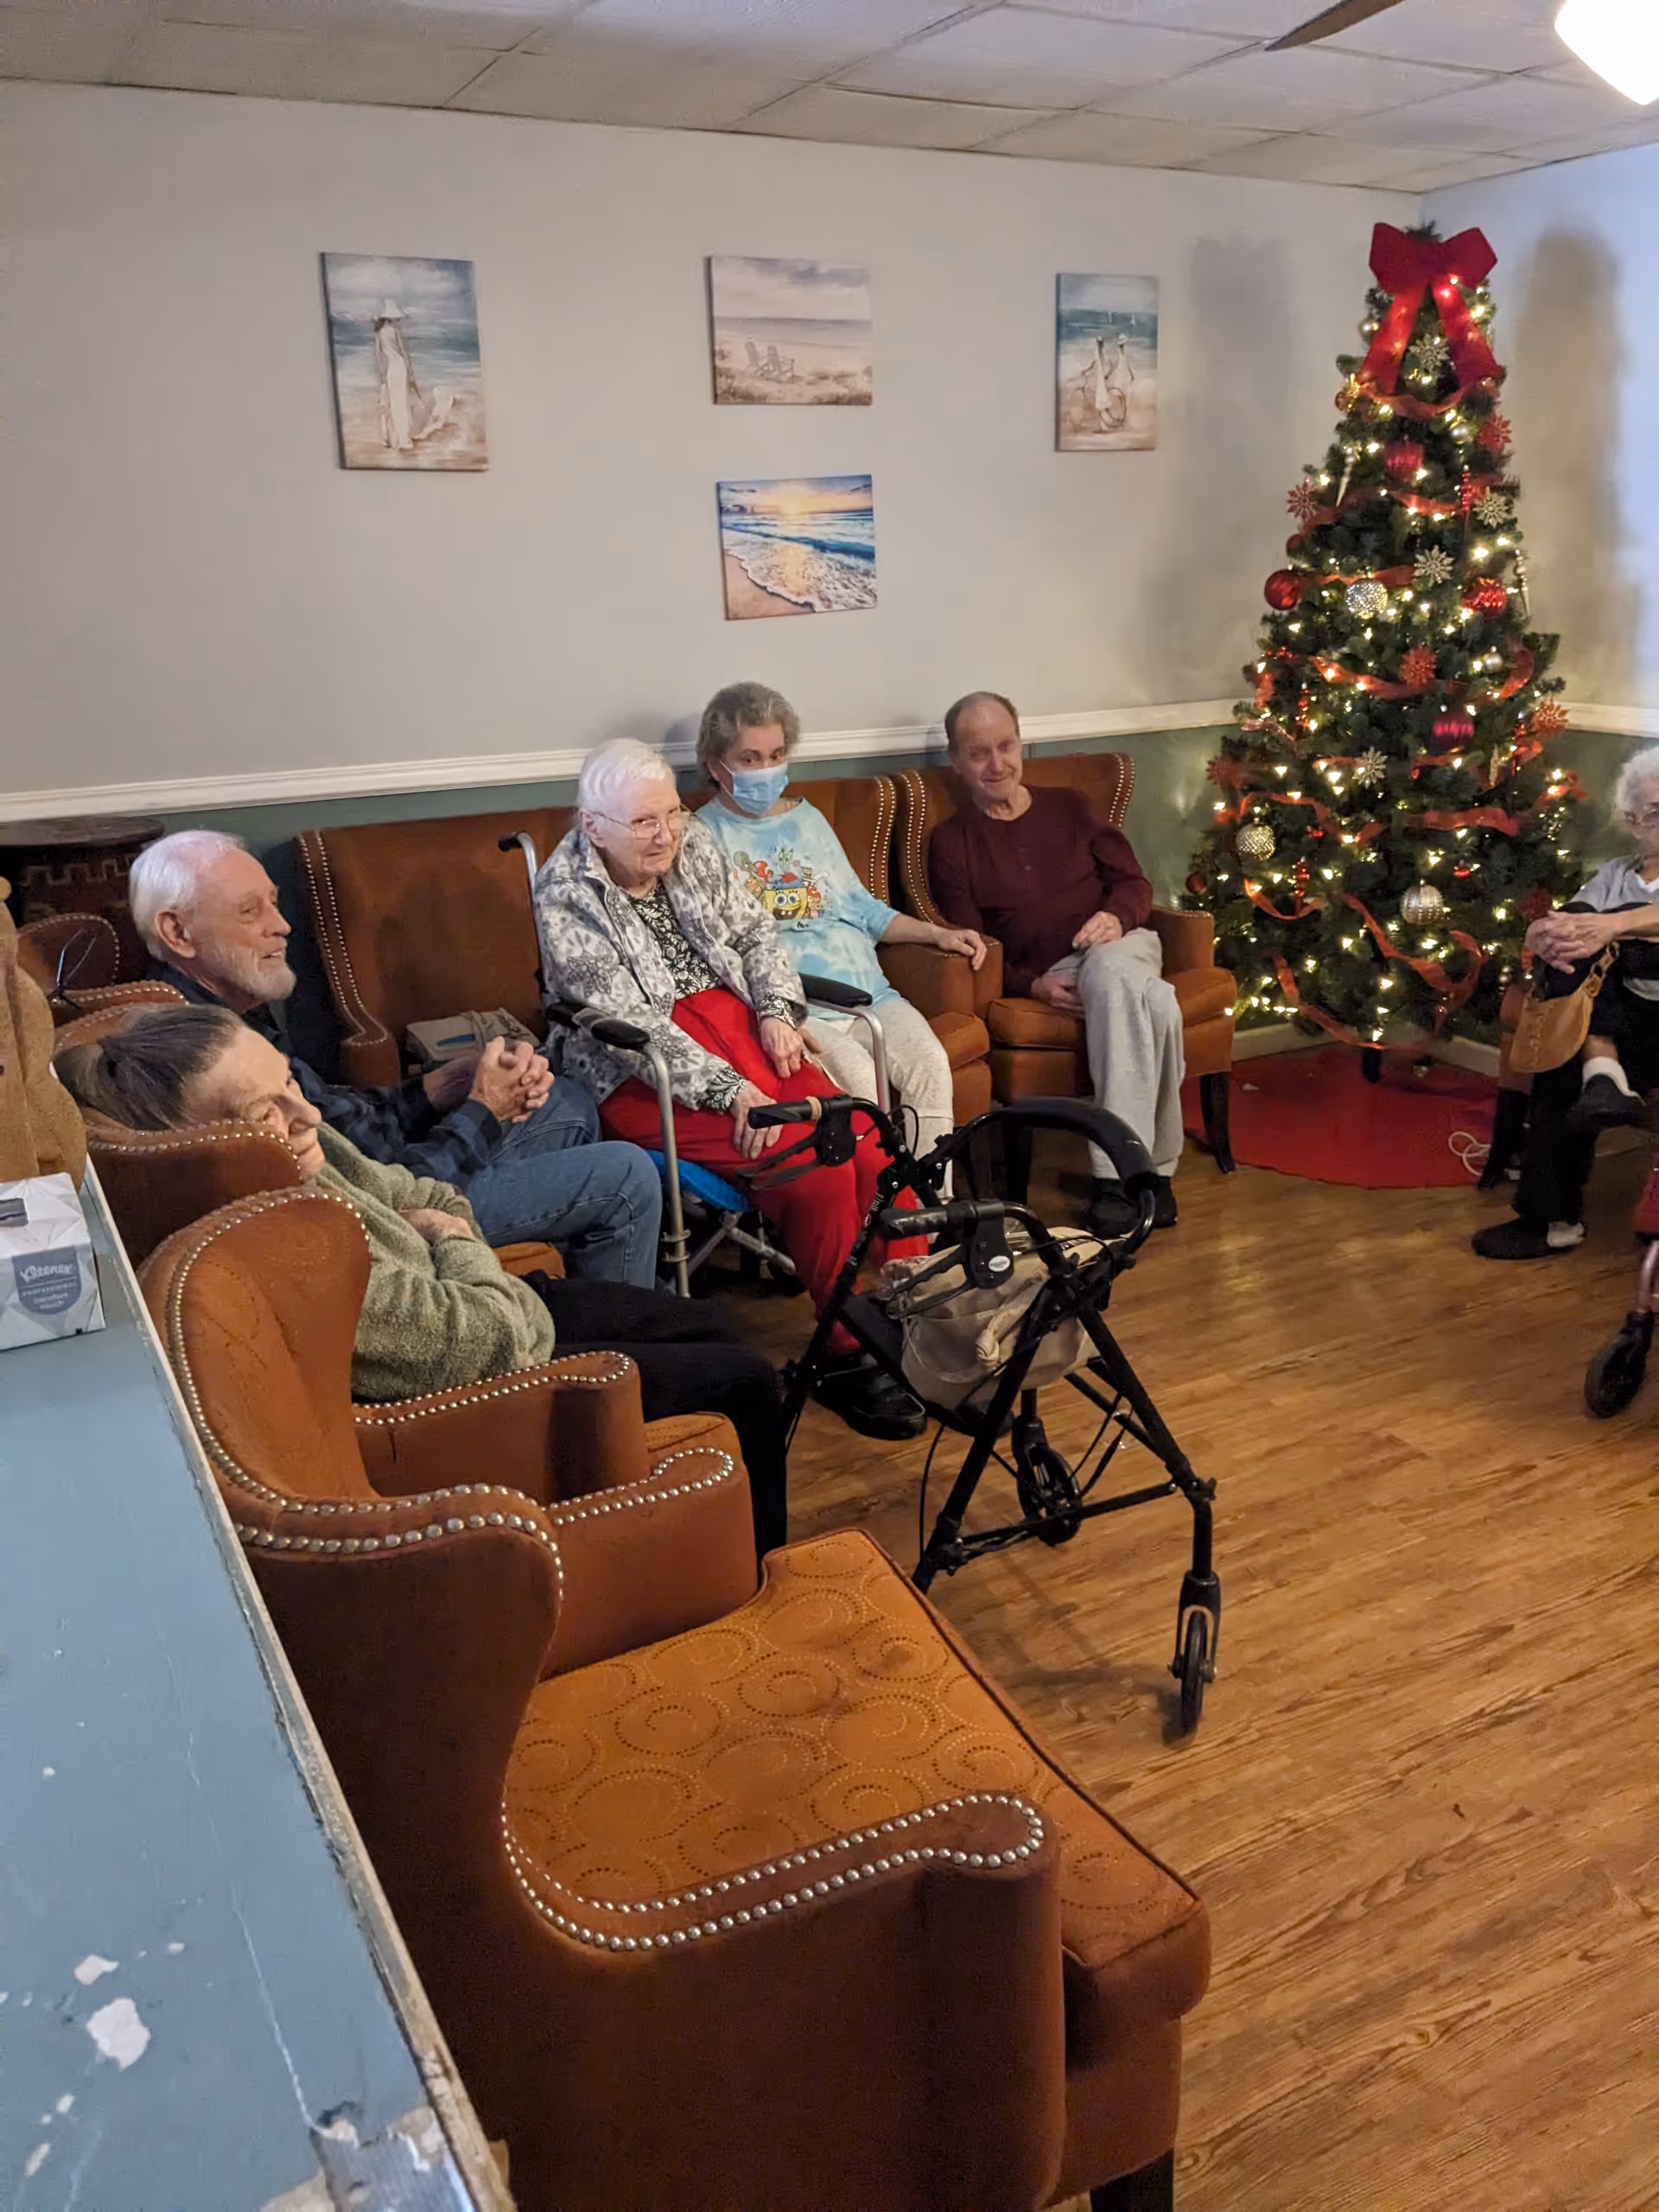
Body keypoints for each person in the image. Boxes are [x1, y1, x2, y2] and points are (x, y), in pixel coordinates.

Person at [57, 1006, 787, 1560]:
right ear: (208, 1144)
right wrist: (460, 1250)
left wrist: (449, 1240)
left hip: (478, 1304)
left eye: (287, 1080)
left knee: (712, 1325)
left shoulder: (298, 1145)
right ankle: (755, 1572)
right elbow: (489, 1341)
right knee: (744, 1380)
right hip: (484, 1381)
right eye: (264, 1111)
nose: (304, 1111)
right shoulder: (295, 1243)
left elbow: (423, 1191)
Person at [533, 738, 926, 1440]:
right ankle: (843, 1352)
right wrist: (730, 1092)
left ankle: (917, 1313)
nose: (666, 835)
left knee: (864, 1135)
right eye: (644, 823)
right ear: (593, 826)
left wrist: (778, 1010)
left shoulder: (694, 844)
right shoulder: (565, 894)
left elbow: (756, 934)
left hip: (735, 1019)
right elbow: (632, 1025)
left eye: (672, 815)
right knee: (816, 1165)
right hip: (643, 1070)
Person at [127, 830, 663, 1288]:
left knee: (566, 1099)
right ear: (177, 932)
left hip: (395, 1169)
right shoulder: (210, 1054)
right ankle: (620, 1330)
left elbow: (340, 1118)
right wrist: (484, 1110)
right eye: (251, 911)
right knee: (625, 1175)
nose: (281, 925)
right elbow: (374, 1194)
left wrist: (447, 1085)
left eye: (273, 902)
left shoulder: (230, 1006)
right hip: (397, 1214)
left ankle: (572, 1286)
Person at [696, 681, 985, 1183]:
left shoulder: (808, 820)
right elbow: (717, 950)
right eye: (750, 757)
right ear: (715, 764)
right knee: (860, 1089)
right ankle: (881, 1222)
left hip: (870, 992)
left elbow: (863, 908)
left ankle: (926, 1213)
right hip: (803, 1005)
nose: (767, 770)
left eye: (777, 754)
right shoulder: (702, 835)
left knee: (931, 1065)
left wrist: (935, 934)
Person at [927, 691, 1183, 1238]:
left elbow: (1133, 882)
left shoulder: (1070, 805)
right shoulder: (952, 842)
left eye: (1005, 746)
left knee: (1114, 974)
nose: (996, 764)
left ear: (1022, 743)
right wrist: (1032, 985)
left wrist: (1115, 918)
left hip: (1121, 943)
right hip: (1053, 972)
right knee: (1155, 1001)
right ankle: (1155, 1176)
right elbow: (972, 942)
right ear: (955, 760)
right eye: (978, 753)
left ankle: (1118, 1179)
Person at [1474, 745, 1659, 1261]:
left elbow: (1605, 926)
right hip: (1617, 1021)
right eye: (1650, 813)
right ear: (1632, 822)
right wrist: (1541, 932)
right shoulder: (1615, 874)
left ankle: (1605, 1072)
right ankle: (1551, 1220)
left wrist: (1614, 924)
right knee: (1560, 1057)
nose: (1657, 821)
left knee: (1597, 944)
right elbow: (1570, 924)